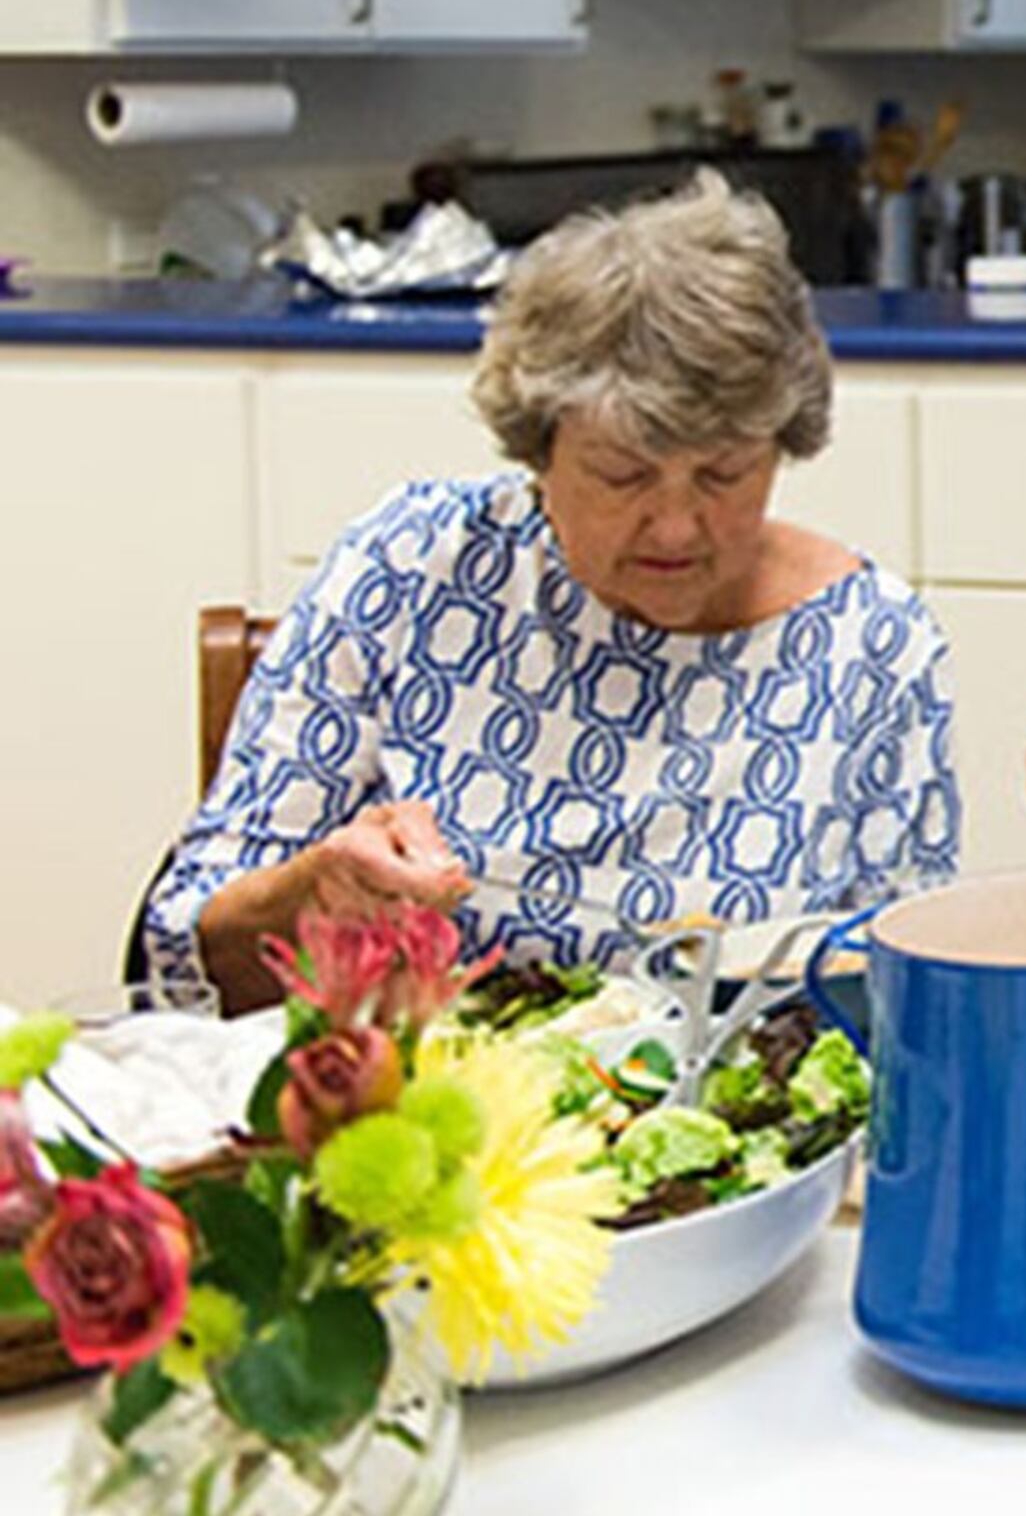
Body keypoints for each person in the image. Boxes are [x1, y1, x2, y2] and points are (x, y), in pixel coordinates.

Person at [141, 174, 960, 1013]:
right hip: (420, 1115)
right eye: (621, 475)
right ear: (537, 451)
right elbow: (182, 957)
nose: (676, 528)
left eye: (724, 472)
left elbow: (907, 1009)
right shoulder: (414, 570)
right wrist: (311, 893)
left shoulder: (870, 646)